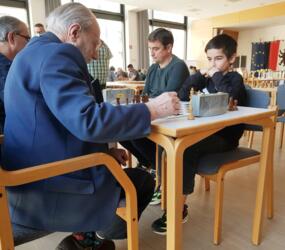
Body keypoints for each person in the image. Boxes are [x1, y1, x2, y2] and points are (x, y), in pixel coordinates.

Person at [2, 3, 181, 250]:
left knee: (116, 166)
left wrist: (102, 152)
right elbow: (88, 120)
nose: (96, 54)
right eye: (96, 43)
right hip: (46, 187)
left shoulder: (29, 53)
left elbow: (53, 123)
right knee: (141, 180)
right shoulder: (57, 55)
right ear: (74, 32)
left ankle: (84, 237)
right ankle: (91, 239)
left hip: (25, 178)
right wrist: (153, 109)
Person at [151, 33, 247, 235]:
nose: (213, 64)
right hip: (205, 132)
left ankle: (179, 207)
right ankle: (165, 190)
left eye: (219, 59)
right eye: (210, 59)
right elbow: (183, 93)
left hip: (225, 138)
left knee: (186, 149)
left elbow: (231, 97)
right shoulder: (207, 80)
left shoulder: (234, 78)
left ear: (231, 59)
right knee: (167, 146)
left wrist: (216, 75)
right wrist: (199, 75)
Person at [120, 28, 189, 197]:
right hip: (155, 113)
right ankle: (148, 164)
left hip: (172, 118)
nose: (152, 53)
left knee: (136, 133)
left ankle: (160, 172)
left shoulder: (178, 66)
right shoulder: (152, 68)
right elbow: (146, 94)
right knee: (121, 130)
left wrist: (149, 101)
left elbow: (167, 97)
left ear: (169, 48)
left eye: (156, 48)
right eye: (150, 48)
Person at [0, 16, 30, 133]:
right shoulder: (7, 69)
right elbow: (21, 109)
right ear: (11, 37)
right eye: (27, 38)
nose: (29, 43)